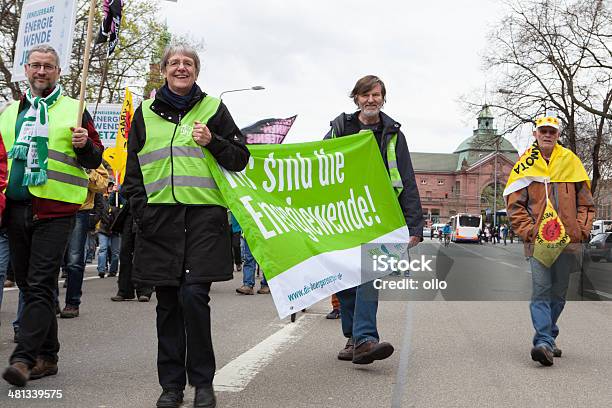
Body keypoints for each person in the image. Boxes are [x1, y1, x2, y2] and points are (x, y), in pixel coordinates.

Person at [123, 44, 249, 408]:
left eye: (188, 63)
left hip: (202, 220)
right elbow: (133, 169)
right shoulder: (145, 112)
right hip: (158, 220)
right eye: (174, 63)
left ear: (196, 71)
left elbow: (241, 157)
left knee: (194, 297)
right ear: (163, 70)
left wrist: (214, 141)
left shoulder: (213, 109)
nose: (181, 67)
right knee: (167, 303)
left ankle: (203, 383)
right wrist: (140, 210)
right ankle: (171, 386)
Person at [0, 45, 103, 386]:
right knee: (30, 285)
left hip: (56, 209)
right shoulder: (9, 111)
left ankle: (24, 359)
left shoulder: (75, 109)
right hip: (14, 208)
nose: (41, 72)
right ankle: (48, 355)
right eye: (36, 66)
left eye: (48, 67)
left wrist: (85, 144)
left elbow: (95, 159)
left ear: (59, 72)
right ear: (26, 70)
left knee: (42, 282)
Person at [324, 75, 423, 365]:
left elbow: (407, 179)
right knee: (344, 280)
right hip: (342, 215)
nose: (371, 100)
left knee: (368, 276)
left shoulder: (393, 133)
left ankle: (366, 338)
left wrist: (414, 226)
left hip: (380, 216)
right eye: (365, 95)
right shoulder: (339, 129)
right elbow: (317, 165)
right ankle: (353, 337)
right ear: (356, 98)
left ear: (383, 98)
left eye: (376, 95)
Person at [505, 115, 594, 367]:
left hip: (568, 241)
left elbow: (586, 203)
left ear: (557, 135)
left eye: (551, 132)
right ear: (535, 134)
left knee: (559, 293)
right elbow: (515, 206)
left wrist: (582, 230)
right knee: (542, 290)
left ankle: (549, 336)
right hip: (538, 243)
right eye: (542, 131)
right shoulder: (525, 165)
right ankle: (543, 342)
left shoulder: (571, 162)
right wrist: (530, 232)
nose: (547, 135)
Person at [59, 164, 108, 318]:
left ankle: (72, 303)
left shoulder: (87, 151)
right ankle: (49, 302)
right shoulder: (50, 142)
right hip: (53, 208)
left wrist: (86, 169)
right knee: (50, 260)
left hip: (79, 210)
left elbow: (102, 184)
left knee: (74, 260)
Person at [110, 199, 154, 302]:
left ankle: (144, 290)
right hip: (130, 214)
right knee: (125, 254)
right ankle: (124, 290)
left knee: (143, 253)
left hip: (146, 211)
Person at [97, 181, 122, 278]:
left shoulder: (118, 198)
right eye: (110, 187)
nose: (111, 189)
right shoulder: (103, 199)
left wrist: (117, 194)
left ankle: (113, 271)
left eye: (113, 187)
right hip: (104, 228)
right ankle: (101, 270)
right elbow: (101, 212)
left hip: (115, 229)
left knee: (115, 252)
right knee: (103, 249)